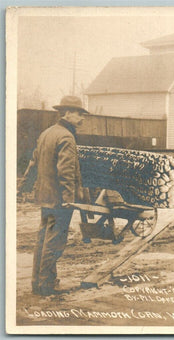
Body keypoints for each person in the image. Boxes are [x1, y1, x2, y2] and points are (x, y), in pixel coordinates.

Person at [18, 95, 90, 296]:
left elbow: (33, 164)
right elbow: (65, 171)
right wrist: (69, 199)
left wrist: (24, 188)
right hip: (59, 200)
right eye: (78, 114)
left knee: (42, 239)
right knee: (55, 241)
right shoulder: (67, 137)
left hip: (45, 197)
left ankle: (37, 283)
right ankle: (47, 285)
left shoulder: (46, 134)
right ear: (66, 113)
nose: (82, 118)